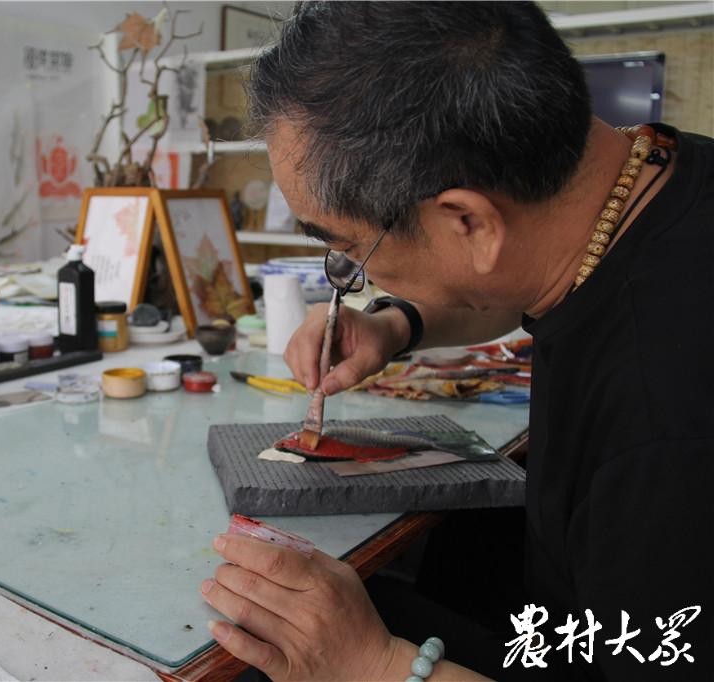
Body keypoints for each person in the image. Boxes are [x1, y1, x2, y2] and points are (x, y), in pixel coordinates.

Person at [199, 2, 713, 680]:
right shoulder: (649, 170)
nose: (356, 277)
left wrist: (373, 664)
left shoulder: (664, 433)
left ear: (468, 222)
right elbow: (518, 275)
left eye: (350, 248)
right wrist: (395, 324)